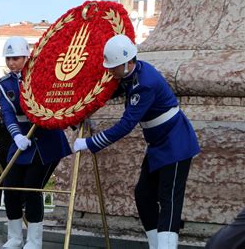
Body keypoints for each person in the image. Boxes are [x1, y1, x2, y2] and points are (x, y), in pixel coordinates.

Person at [74, 34, 201, 249]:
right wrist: (86, 109)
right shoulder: (132, 74)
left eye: (113, 67)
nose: (110, 71)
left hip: (176, 143)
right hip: (159, 144)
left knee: (169, 199)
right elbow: (112, 92)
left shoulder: (145, 84)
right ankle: (155, 244)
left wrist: (90, 143)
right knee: (143, 194)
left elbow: (126, 125)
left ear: (127, 63)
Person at [0, 37, 72, 249]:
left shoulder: (42, 77)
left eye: (16, 58)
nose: (11, 63)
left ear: (26, 57)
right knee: (10, 188)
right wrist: (16, 135)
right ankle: (15, 237)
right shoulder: (3, 85)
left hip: (46, 139)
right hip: (20, 139)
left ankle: (34, 241)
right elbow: (8, 114)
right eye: (8, 58)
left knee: (31, 189)